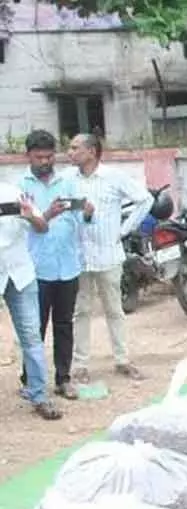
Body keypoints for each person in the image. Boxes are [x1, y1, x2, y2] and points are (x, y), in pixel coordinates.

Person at [67, 133, 150, 384]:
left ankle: (122, 359)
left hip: (108, 254)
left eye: (74, 148)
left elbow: (145, 200)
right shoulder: (67, 179)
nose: (69, 153)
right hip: (79, 257)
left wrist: (124, 231)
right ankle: (80, 364)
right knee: (80, 311)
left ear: (91, 151)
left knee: (114, 309)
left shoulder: (113, 177)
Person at [19, 129, 87, 400]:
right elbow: (24, 228)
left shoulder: (67, 183)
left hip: (67, 266)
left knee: (64, 325)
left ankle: (63, 379)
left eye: (49, 157)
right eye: (39, 157)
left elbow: (79, 220)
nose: (45, 162)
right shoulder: (19, 188)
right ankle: (30, 380)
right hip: (36, 269)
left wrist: (87, 213)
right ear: (29, 156)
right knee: (34, 328)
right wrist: (48, 213)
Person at [1, 181, 59, 419]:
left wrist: (28, 216)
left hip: (20, 274)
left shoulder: (13, 192)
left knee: (32, 337)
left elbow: (42, 226)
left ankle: (39, 395)